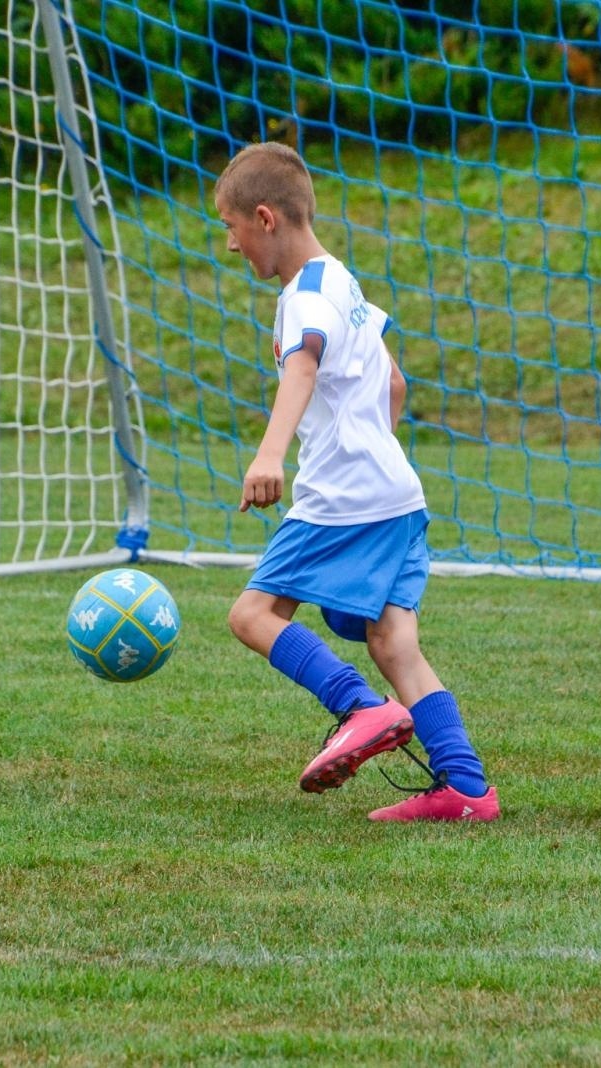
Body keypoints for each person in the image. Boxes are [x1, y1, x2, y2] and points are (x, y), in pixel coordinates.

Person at [213, 141, 498, 822]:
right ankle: (465, 789)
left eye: (231, 227)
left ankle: (361, 708)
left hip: (343, 495)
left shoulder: (304, 296)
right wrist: (374, 451)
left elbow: (303, 366)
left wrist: (270, 456)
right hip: (397, 492)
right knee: (395, 643)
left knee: (252, 616)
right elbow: (394, 381)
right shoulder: (343, 281)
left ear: (264, 217)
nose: (230, 244)